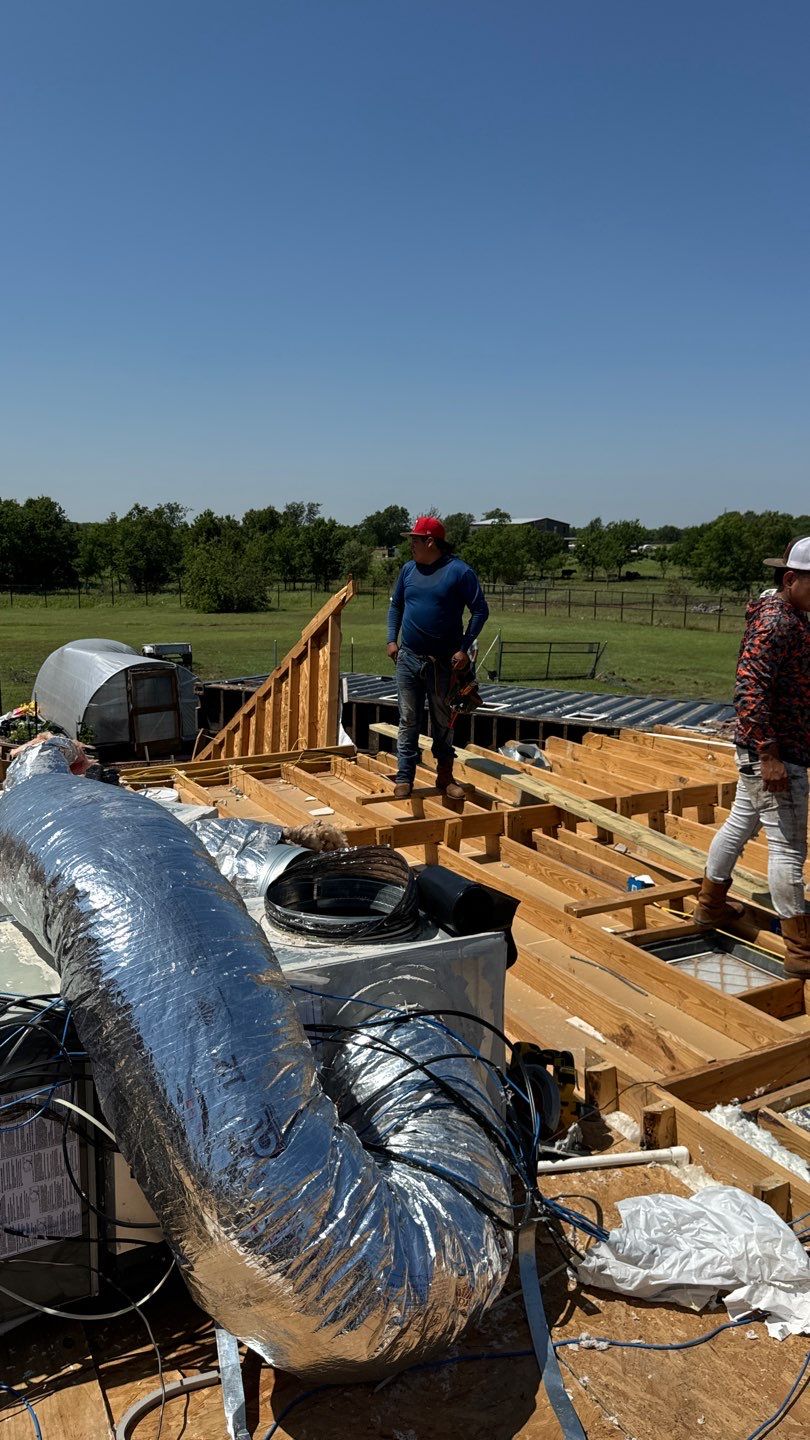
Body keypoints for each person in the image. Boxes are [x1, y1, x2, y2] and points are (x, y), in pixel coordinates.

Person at [693, 538, 810, 976]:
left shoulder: (791, 616)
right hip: (777, 754)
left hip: (770, 749)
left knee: (741, 821)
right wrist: (770, 755)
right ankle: (800, 951)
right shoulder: (778, 622)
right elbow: (750, 690)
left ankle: (710, 906)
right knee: (787, 849)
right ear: (790, 578)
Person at [386, 515, 489, 800]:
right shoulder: (408, 570)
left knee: (444, 721)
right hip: (408, 659)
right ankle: (404, 777)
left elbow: (480, 610)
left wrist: (464, 647)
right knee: (408, 719)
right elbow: (396, 607)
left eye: (415, 540)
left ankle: (445, 777)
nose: (411, 546)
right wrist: (391, 640)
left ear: (431, 541)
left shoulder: (459, 572)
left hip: (444, 662)